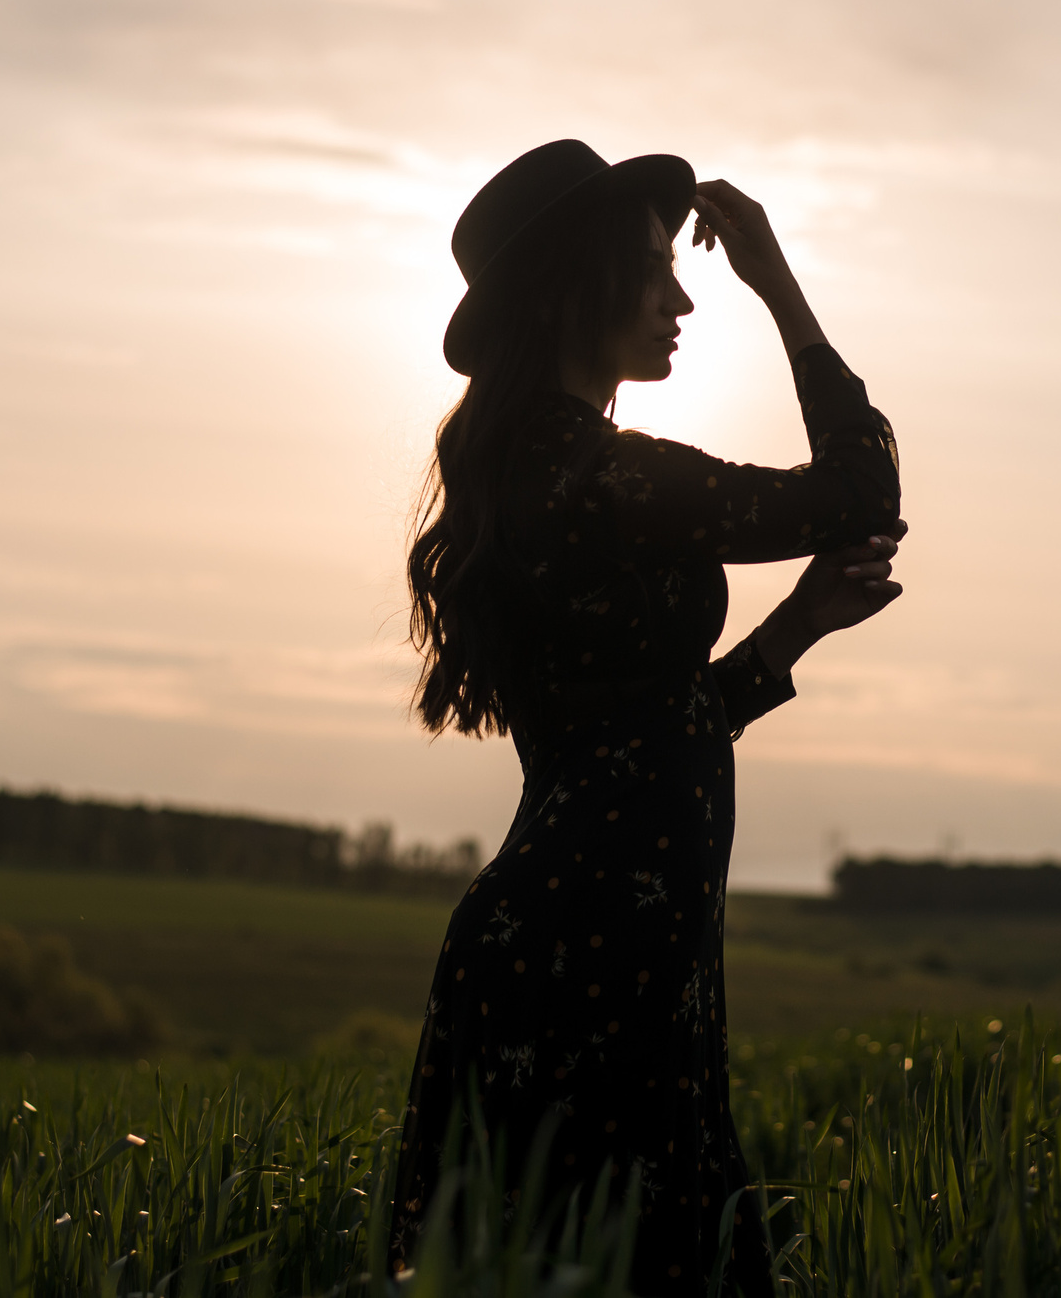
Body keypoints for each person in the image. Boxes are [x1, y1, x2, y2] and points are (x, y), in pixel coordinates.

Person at [390, 138, 905, 1294]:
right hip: (597, 958)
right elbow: (861, 492)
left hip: (583, 943)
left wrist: (791, 630)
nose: (682, 301)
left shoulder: (537, 473)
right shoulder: (603, 475)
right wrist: (777, 283)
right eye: (657, 271)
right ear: (578, 287)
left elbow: (641, 732)